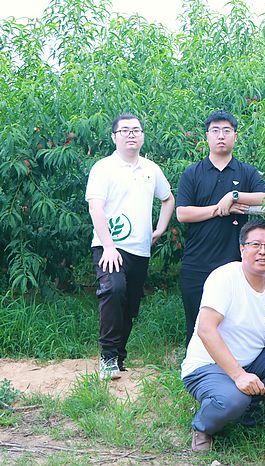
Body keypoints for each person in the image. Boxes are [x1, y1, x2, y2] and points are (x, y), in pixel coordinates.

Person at [182, 219, 265, 452]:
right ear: (242, 249)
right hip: (207, 365)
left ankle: (249, 416)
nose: (263, 251)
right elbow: (205, 330)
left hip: (250, 361)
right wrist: (239, 375)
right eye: (255, 245)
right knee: (234, 398)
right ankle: (203, 427)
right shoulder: (225, 277)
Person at [86, 113, 174, 380]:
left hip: (140, 249)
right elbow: (95, 208)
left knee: (130, 304)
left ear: (143, 136)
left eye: (136, 130)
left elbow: (168, 199)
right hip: (109, 246)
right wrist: (109, 246)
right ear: (114, 137)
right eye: (125, 130)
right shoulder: (103, 168)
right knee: (113, 290)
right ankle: (108, 356)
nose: (131, 134)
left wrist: (160, 229)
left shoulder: (151, 169)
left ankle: (118, 358)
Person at [176, 110, 265, 345]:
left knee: (234, 322)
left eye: (227, 131)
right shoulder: (192, 173)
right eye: (215, 131)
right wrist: (220, 209)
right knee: (196, 322)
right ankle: (193, 363)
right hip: (197, 260)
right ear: (207, 136)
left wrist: (234, 195)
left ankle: (233, 362)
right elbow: (182, 213)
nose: (221, 136)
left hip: (235, 260)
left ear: (235, 137)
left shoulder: (246, 172)